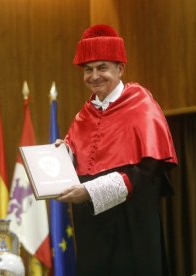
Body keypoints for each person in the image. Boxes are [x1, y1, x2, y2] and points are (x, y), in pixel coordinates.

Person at [56, 24, 178, 275]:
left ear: (120, 69)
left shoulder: (141, 104)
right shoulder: (83, 116)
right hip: (92, 229)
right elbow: (82, 164)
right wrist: (63, 155)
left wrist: (90, 191)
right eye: (88, 70)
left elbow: (147, 171)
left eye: (102, 67)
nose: (94, 76)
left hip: (132, 225)